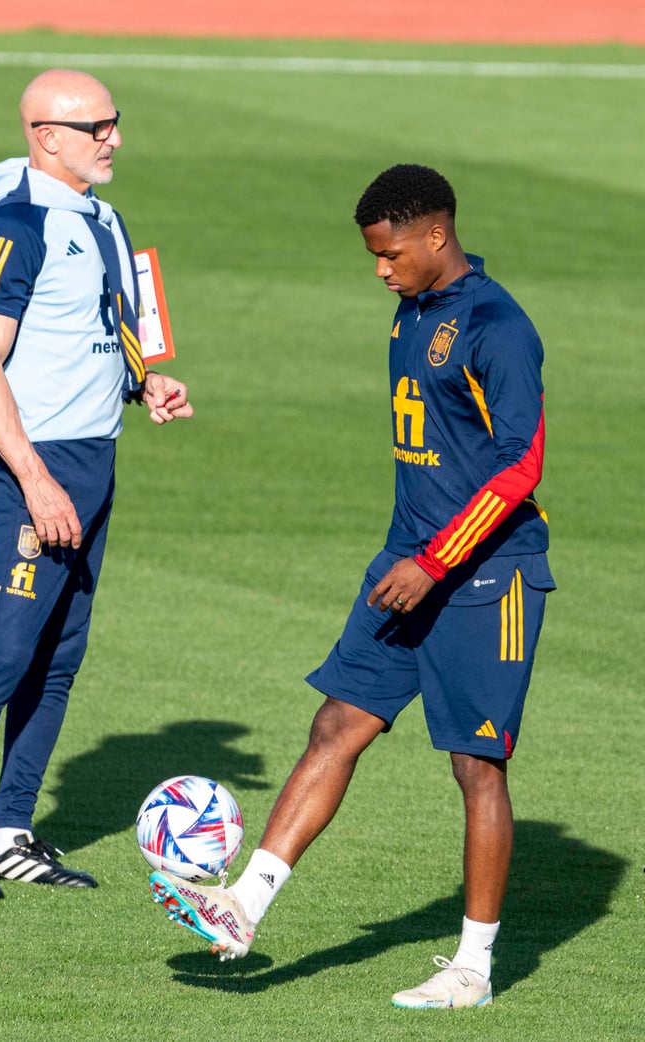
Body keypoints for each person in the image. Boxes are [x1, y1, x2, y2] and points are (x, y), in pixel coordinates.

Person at [149, 164, 554, 1009]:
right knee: (336, 724)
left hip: (485, 578)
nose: (380, 269)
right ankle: (242, 906)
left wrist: (436, 561)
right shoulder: (415, 309)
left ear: (436, 235)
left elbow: (521, 466)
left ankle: (474, 968)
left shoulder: (498, 326)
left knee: (477, 767)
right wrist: (415, 558)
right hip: (405, 565)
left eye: (391, 253)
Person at [0, 69, 193, 900]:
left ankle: (9, 832)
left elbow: (107, 324)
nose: (115, 139)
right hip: (33, 468)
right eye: (96, 127)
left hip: (94, 461)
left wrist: (145, 383)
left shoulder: (103, 218)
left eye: (114, 122)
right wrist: (35, 481)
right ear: (46, 136)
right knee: (5, 649)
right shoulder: (11, 227)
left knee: (59, 654)